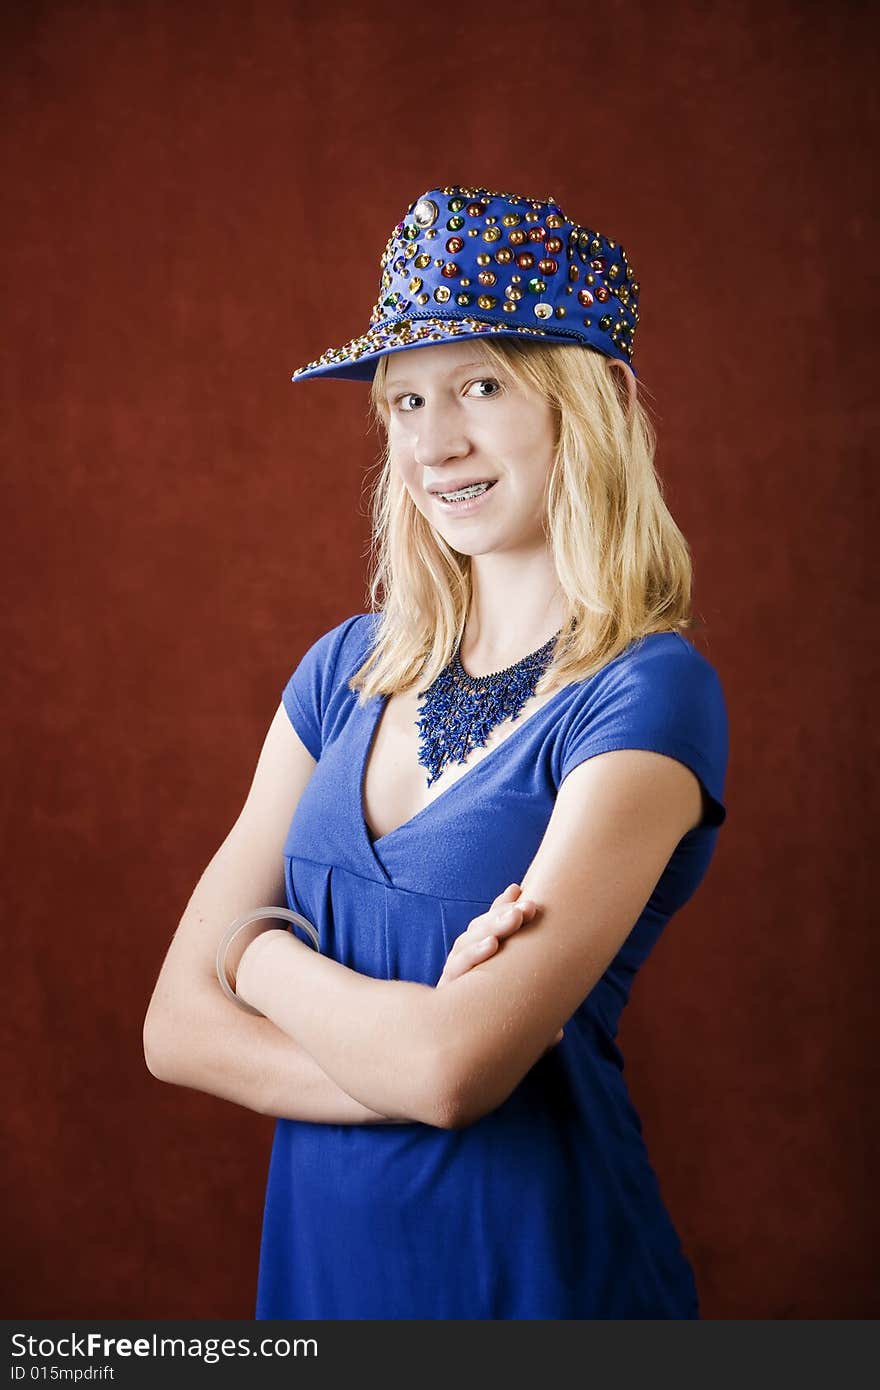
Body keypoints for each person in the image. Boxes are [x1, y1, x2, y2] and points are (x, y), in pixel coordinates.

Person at [143, 183, 729, 1320]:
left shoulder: (648, 694)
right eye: (404, 399)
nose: (434, 441)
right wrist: (403, 1057)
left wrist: (253, 951)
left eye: (481, 384)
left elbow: (454, 1073)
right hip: (322, 1295)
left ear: (591, 401)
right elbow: (173, 1028)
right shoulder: (341, 669)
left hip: (540, 1285)